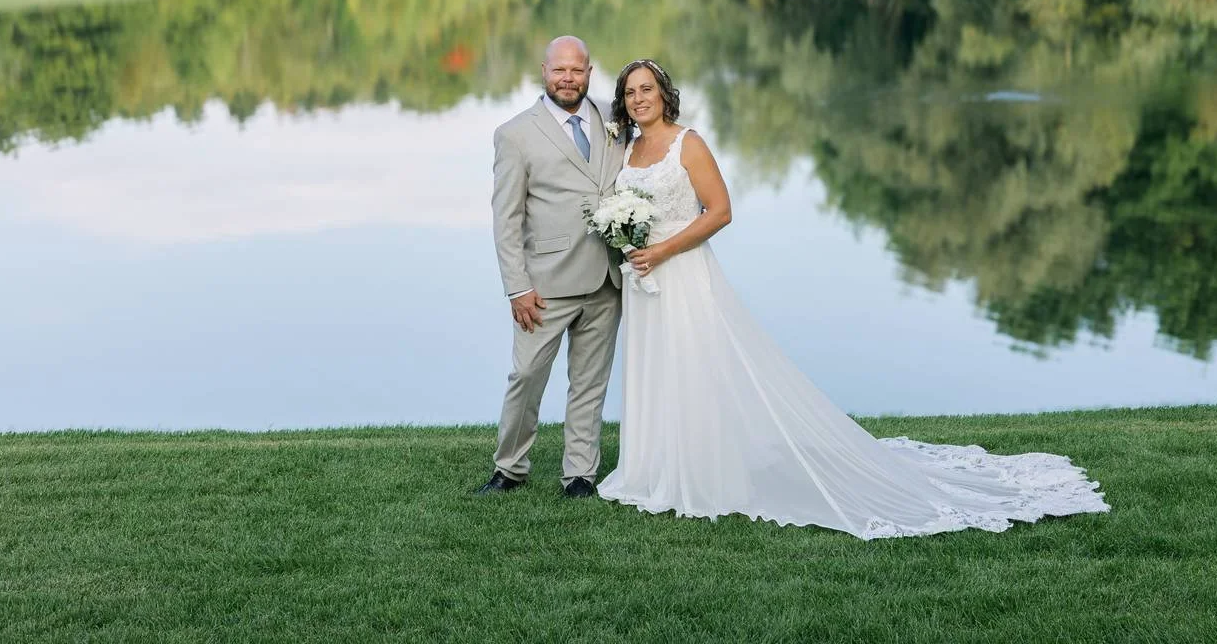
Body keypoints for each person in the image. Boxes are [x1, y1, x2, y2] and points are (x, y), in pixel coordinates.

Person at [597, 58, 1109, 538]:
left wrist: (662, 249)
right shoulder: (627, 149)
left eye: (648, 89)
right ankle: (654, 467)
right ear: (622, 100)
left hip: (683, 273)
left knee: (697, 365)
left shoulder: (689, 144)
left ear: (665, 94)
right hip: (644, 281)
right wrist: (630, 242)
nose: (640, 98)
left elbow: (720, 211)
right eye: (630, 92)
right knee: (657, 367)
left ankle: (703, 472)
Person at [475, 35, 627, 499]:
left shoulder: (615, 120)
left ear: (589, 72)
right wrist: (516, 287)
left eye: (577, 70)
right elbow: (506, 219)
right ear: (544, 71)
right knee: (526, 377)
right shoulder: (516, 133)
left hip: (607, 277)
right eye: (559, 70)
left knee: (590, 382)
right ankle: (510, 468)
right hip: (545, 284)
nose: (568, 78)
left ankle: (580, 475)